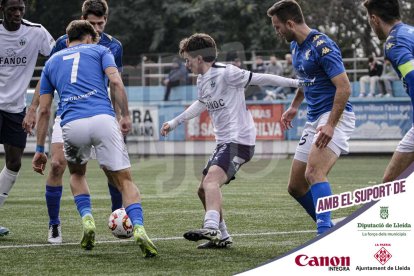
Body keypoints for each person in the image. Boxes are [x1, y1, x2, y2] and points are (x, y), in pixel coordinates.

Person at [160, 33, 306, 249]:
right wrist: (174, 122)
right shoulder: (202, 79)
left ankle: (211, 227)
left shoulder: (227, 73)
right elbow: (201, 103)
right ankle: (223, 237)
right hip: (224, 142)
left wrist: (297, 83)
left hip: (239, 140)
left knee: (211, 182)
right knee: (203, 189)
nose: (186, 64)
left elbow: (262, 78)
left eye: (188, 59)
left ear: (199, 58)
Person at [32, 20, 157, 257]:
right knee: (125, 181)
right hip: (102, 119)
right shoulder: (102, 50)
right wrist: (126, 115)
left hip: (71, 124)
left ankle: (88, 219)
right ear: (90, 37)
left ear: (67, 41)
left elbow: (45, 110)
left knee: (78, 174)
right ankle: (138, 227)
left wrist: (39, 148)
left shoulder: (52, 62)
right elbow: (116, 82)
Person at [22, 0, 124, 244]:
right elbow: (47, 77)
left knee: (112, 169)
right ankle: (54, 225)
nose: (97, 29)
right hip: (68, 113)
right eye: (92, 24)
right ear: (83, 20)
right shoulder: (63, 42)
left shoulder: (113, 46)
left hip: (101, 114)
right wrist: (33, 107)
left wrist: (120, 115)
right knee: (57, 165)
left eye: (101, 23)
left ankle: (119, 216)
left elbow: (115, 82)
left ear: (106, 20)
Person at [267, 0, 355, 234]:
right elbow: (306, 79)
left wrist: (330, 125)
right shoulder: (296, 46)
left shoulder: (322, 45)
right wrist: (295, 105)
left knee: (314, 173)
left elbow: (345, 88)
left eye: (277, 27)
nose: (276, 32)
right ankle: (330, 227)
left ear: (290, 23)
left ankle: (324, 233)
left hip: (335, 116)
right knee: (296, 186)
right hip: (314, 117)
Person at [0, 0, 54, 237]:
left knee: (14, 162)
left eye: (21, 8)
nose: (17, 13)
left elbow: (56, 58)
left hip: (15, 109)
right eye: (12, 8)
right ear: (2, 8)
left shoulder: (36, 32)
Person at [363, 0, 414, 182]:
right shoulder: (410, 32)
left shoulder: (394, 43)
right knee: (391, 183)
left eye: (369, 20)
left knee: (390, 185)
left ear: (375, 19)